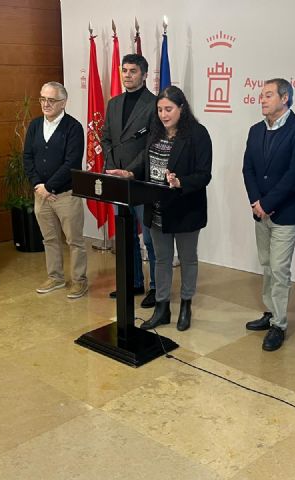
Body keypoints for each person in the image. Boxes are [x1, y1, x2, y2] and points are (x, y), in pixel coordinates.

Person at [107, 86, 212, 331]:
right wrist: (130, 173)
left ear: (181, 108)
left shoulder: (197, 134)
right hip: (156, 208)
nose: (163, 115)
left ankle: (185, 305)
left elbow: (204, 174)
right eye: (160, 110)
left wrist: (180, 182)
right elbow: (145, 162)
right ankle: (162, 308)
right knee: (161, 259)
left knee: (187, 259)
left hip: (185, 208)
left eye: (169, 109)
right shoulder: (155, 131)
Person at [242, 79, 295, 351]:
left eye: (268, 95)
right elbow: (248, 169)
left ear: (285, 98)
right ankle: (270, 312)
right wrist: (256, 202)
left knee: (280, 268)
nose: (262, 99)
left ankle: (279, 325)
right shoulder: (256, 130)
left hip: (287, 211)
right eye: (261, 95)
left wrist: (268, 203)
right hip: (260, 211)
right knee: (267, 264)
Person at [23, 81, 88, 298]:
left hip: (66, 195)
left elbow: (72, 162)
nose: (46, 104)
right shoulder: (35, 125)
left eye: (51, 100)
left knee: (74, 241)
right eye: (42, 99)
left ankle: (79, 281)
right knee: (49, 239)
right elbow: (27, 157)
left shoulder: (73, 128)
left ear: (63, 102)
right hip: (41, 195)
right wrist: (38, 185)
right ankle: (56, 277)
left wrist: (49, 186)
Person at [102, 54, 157, 308]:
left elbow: (152, 145)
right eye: (124, 70)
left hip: (142, 181)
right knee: (126, 235)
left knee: (150, 238)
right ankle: (133, 282)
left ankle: (156, 287)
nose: (127, 75)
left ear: (144, 75)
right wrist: (113, 167)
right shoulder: (114, 103)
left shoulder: (154, 104)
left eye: (133, 71)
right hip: (118, 181)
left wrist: (131, 171)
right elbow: (106, 138)